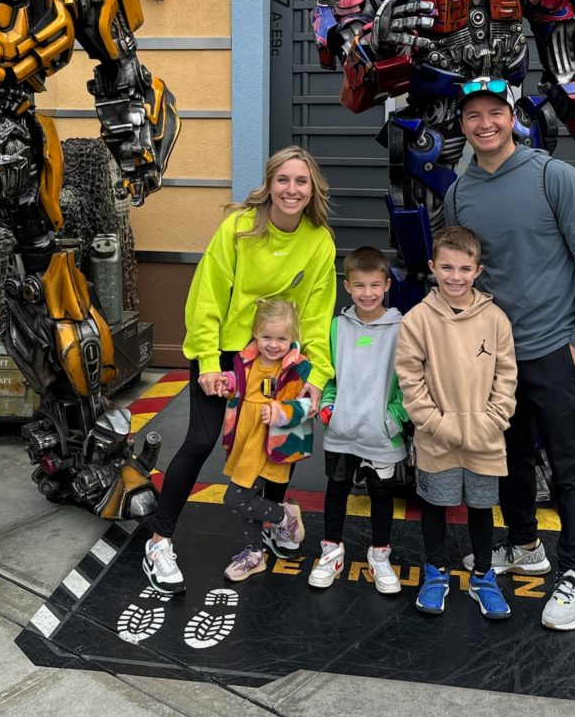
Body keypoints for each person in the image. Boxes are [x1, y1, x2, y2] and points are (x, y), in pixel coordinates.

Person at [445, 78, 575, 631]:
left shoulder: (551, 176)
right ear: (462, 124)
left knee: (568, 464)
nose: (484, 123)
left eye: (495, 112)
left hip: (555, 350)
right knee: (508, 459)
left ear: (512, 116)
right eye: (473, 116)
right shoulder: (459, 192)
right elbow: (459, 274)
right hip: (495, 358)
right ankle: (523, 545)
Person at [142, 146, 337, 594]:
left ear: (312, 191)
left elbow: (318, 314)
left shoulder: (318, 242)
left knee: (275, 445)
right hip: (229, 356)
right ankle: (159, 540)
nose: (291, 189)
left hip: (280, 358)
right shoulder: (239, 228)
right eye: (283, 180)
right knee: (200, 440)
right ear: (269, 184)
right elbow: (206, 297)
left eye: (301, 181)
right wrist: (209, 362)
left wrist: (316, 375)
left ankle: (269, 526)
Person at [396, 226, 517, 620]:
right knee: (435, 505)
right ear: (432, 267)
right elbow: (409, 378)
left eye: (465, 268)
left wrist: (494, 418)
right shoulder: (417, 320)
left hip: (485, 437)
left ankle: (483, 577)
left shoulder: (496, 319)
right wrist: (433, 422)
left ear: (478, 270)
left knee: (481, 508)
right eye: (446, 267)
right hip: (437, 437)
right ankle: (436, 574)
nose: (455, 276)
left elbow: (506, 375)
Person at [309, 247, 407, 594]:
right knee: (336, 492)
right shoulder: (336, 327)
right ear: (347, 286)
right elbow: (330, 376)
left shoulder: (402, 328)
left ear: (386, 286)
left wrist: (393, 419)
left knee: (382, 498)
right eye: (360, 285)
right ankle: (331, 551)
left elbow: (411, 381)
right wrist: (329, 410)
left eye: (375, 285)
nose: (368, 293)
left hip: (381, 436)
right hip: (342, 432)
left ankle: (380, 556)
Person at [219, 299, 312, 581]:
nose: (273, 344)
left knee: (235, 498)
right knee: (247, 497)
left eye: (282, 338)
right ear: (256, 334)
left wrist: (281, 411)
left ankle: (283, 517)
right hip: (244, 438)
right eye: (267, 337)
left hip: (270, 442)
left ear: (293, 337)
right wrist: (228, 384)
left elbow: (309, 406)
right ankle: (254, 553)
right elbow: (241, 389)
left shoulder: (298, 368)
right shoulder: (246, 360)